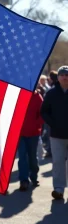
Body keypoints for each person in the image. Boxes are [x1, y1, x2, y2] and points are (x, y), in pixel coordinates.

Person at [41, 65, 68, 200]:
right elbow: (44, 111)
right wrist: (52, 123)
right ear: (58, 77)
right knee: (57, 162)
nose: (64, 77)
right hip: (56, 135)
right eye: (62, 75)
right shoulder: (51, 93)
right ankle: (58, 188)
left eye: (67, 75)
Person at [18, 91, 44, 191]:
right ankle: (24, 180)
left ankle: (34, 177)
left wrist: (36, 124)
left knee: (32, 157)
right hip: (20, 133)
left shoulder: (37, 97)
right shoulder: (18, 95)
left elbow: (43, 113)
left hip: (34, 133)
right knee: (22, 157)